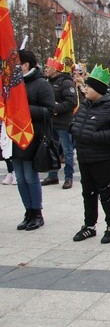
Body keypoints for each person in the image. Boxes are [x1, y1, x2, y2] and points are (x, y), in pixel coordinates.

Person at [69, 65, 110, 243]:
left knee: (106, 193)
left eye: (89, 87)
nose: (85, 89)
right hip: (85, 156)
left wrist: (94, 136)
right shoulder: (85, 105)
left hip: (103, 158)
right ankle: (89, 225)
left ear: (99, 90)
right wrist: (74, 129)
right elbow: (78, 124)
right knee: (88, 192)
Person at [13, 50, 55, 231]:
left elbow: (49, 110)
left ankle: (37, 212)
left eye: (16, 63)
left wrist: (24, 108)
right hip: (14, 135)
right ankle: (28, 211)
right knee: (20, 178)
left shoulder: (41, 84)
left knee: (30, 176)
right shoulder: (13, 84)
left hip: (33, 137)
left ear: (25, 65)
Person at [41, 58, 78, 189]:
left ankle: (68, 177)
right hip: (51, 122)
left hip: (64, 122)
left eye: (48, 67)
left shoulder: (66, 82)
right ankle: (52, 176)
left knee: (67, 150)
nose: (45, 69)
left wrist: (56, 109)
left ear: (55, 69)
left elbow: (72, 101)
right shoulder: (47, 82)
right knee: (52, 148)